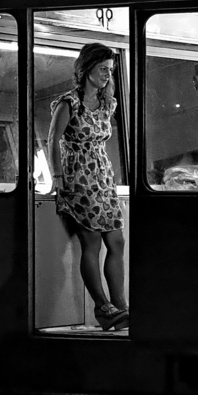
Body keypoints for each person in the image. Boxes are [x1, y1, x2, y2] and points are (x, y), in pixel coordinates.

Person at [47, 43, 129, 331]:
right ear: (86, 70)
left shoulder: (109, 103)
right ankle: (103, 307)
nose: (108, 75)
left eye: (110, 70)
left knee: (116, 241)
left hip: (103, 177)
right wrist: (58, 178)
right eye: (102, 69)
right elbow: (53, 140)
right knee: (91, 242)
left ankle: (120, 305)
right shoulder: (69, 102)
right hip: (78, 176)